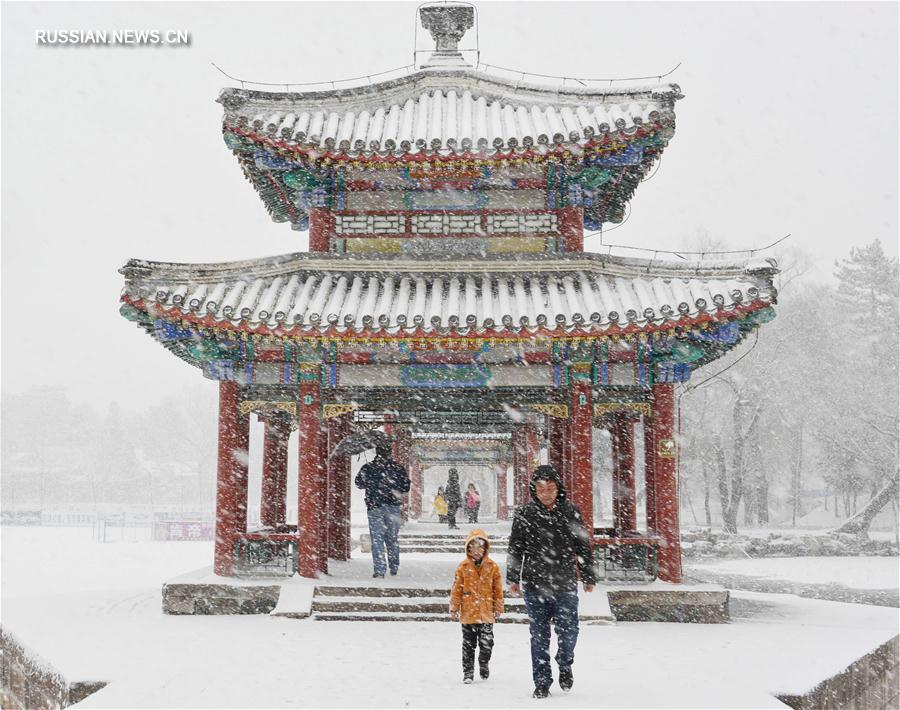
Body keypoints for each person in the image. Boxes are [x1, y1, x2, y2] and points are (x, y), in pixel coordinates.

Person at [506, 465, 597, 699]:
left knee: (569, 633)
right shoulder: (524, 514)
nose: (545, 493)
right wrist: (513, 577)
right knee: (539, 635)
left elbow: (582, 545)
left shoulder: (570, 512)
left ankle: (565, 662)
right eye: (540, 488)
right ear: (533, 490)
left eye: (550, 488)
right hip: (535, 583)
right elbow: (515, 548)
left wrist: (587, 574)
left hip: (565, 582)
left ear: (558, 488)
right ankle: (542, 680)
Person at [449, 529, 504, 684]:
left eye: (480, 548)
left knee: (487, 643)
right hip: (468, 613)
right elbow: (457, 588)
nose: (477, 551)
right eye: (473, 548)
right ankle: (468, 672)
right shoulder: (463, 567)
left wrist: (498, 607)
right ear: (468, 549)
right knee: (468, 645)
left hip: (486, 612)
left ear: (485, 549)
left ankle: (484, 662)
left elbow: (497, 589)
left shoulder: (492, 567)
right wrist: (454, 607)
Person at [354, 442, 411, 578]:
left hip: (375, 506)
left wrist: (371, 482)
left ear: (376, 452)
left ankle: (379, 570)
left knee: (377, 539)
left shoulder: (368, 467)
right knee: (392, 538)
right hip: (393, 507)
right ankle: (394, 566)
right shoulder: (398, 468)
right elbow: (405, 487)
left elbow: (358, 484)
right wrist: (392, 488)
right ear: (390, 452)